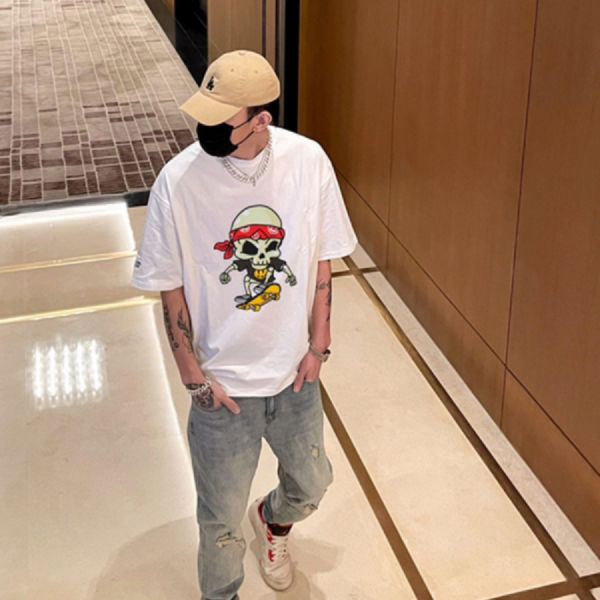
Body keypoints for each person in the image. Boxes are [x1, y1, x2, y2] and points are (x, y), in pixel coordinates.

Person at [131, 49, 357, 600]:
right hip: (222, 389)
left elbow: (321, 256)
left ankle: (274, 522)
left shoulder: (307, 161)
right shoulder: (177, 181)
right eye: (203, 114)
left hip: (294, 377)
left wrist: (320, 342)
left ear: (261, 120)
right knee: (219, 524)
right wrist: (192, 376)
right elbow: (169, 284)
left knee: (312, 485)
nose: (206, 129)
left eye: (221, 120)